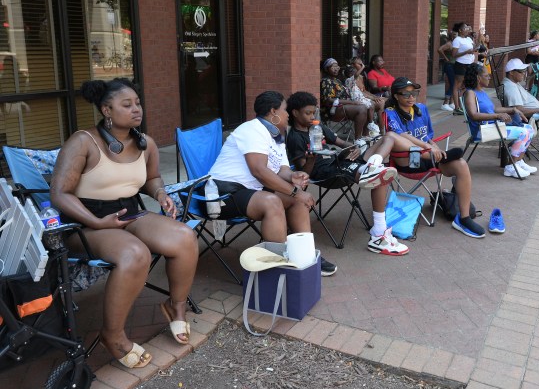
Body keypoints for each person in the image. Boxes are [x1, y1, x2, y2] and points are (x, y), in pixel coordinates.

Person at [50, 78, 199, 369]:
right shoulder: (83, 141)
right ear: (107, 109)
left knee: (184, 237)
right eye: (126, 105)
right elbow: (59, 194)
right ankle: (113, 336)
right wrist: (96, 221)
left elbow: (152, 178)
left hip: (128, 212)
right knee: (134, 254)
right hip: (85, 223)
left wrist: (159, 193)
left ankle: (175, 306)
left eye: (138, 104)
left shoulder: (146, 144)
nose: (136, 110)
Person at [208, 91, 339, 276]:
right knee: (273, 201)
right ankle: (281, 266)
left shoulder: (277, 135)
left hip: (252, 191)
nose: (287, 115)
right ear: (273, 112)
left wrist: (294, 176)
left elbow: (281, 169)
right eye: (285, 110)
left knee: (297, 201)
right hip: (223, 193)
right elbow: (259, 171)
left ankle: (306, 256)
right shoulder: (252, 129)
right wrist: (295, 191)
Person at [286, 91, 409, 256]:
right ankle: (379, 232)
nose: (312, 116)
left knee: (386, 138)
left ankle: (373, 166)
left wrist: (354, 147)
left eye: (313, 112)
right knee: (380, 178)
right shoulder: (295, 138)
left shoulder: (317, 126)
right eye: (307, 113)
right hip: (325, 172)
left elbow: (340, 142)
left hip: (340, 162)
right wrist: (312, 159)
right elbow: (304, 174)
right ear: (295, 113)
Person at [384, 77, 486, 239]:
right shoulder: (390, 113)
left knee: (461, 164)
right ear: (396, 96)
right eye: (406, 94)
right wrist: (427, 147)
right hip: (408, 160)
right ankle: (440, 156)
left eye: (414, 94)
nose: (411, 98)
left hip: (428, 157)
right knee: (402, 141)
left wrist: (433, 146)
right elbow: (399, 136)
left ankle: (464, 218)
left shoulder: (421, 109)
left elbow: (427, 136)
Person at [463, 63, 537, 179]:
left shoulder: (482, 92)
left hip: (493, 127)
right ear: (478, 77)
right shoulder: (470, 93)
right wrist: (497, 116)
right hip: (482, 130)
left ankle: (518, 162)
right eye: (486, 75)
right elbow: (473, 115)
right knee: (524, 132)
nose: (489, 77)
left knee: (529, 129)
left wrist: (513, 109)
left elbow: (493, 109)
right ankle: (511, 166)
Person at [320, 58, 373, 145]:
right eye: (333, 66)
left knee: (366, 105)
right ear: (326, 69)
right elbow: (329, 100)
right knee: (361, 108)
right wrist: (353, 103)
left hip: (344, 107)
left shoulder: (337, 81)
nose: (336, 68)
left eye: (337, 66)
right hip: (333, 110)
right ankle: (357, 139)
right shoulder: (325, 81)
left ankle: (365, 135)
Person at [350, 56, 387, 132]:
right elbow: (359, 93)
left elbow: (364, 91)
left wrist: (374, 97)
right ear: (353, 65)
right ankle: (376, 128)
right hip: (356, 100)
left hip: (365, 98)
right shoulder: (351, 77)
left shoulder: (361, 77)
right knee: (380, 103)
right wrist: (373, 98)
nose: (361, 65)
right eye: (359, 64)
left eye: (362, 64)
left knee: (383, 100)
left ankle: (382, 129)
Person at [451, 22, 476, 115]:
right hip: (461, 64)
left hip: (469, 64)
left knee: (465, 86)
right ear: (460, 30)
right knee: (457, 86)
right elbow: (453, 55)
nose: (467, 29)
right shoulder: (457, 40)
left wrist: (478, 38)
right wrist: (466, 52)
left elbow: (475, 48)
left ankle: (462, 106)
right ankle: (456, 108)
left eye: (467, 28)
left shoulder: (469, 39)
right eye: (465, 28)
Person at [437, 31, 456, 111]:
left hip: (453, 65)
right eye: (454, 34)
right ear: (451, 36)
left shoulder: (455, 44)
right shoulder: (449, 44)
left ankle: (451, 103)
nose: (456, 36)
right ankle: (445, 103)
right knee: (453, 84)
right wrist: (446, 58)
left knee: (453, 84)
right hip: (449, 65)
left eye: (456, 34)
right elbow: (440, 49)